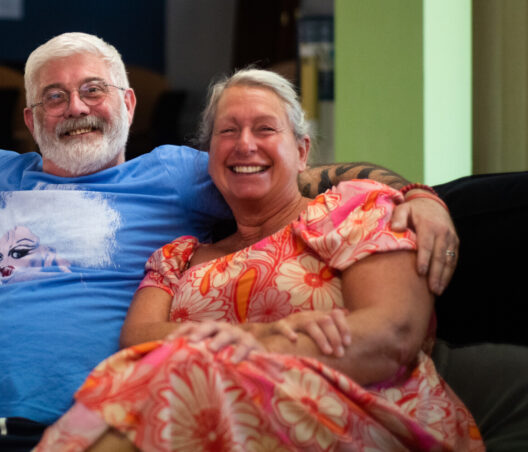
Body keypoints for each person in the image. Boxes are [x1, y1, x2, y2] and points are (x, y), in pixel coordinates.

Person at [0, 33, 457, 451]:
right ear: (31, 120)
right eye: (53, 97)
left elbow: (286, 172)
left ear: (128, 104)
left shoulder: (177, 172)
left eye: (92, 90)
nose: (74, 107)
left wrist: (420, 196)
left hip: (78, 425)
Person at [36, 68, 482, 450]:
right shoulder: (177, 258)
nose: (244, 144)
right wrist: (263, 332)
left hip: (358, 411)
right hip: (196, 411)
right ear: (208, 157)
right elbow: (137, 343)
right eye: (227, 131)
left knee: (188, 372)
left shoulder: (356, 209)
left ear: (302, 151)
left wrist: (233, 353)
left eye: (265, 129)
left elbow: (392, 336)